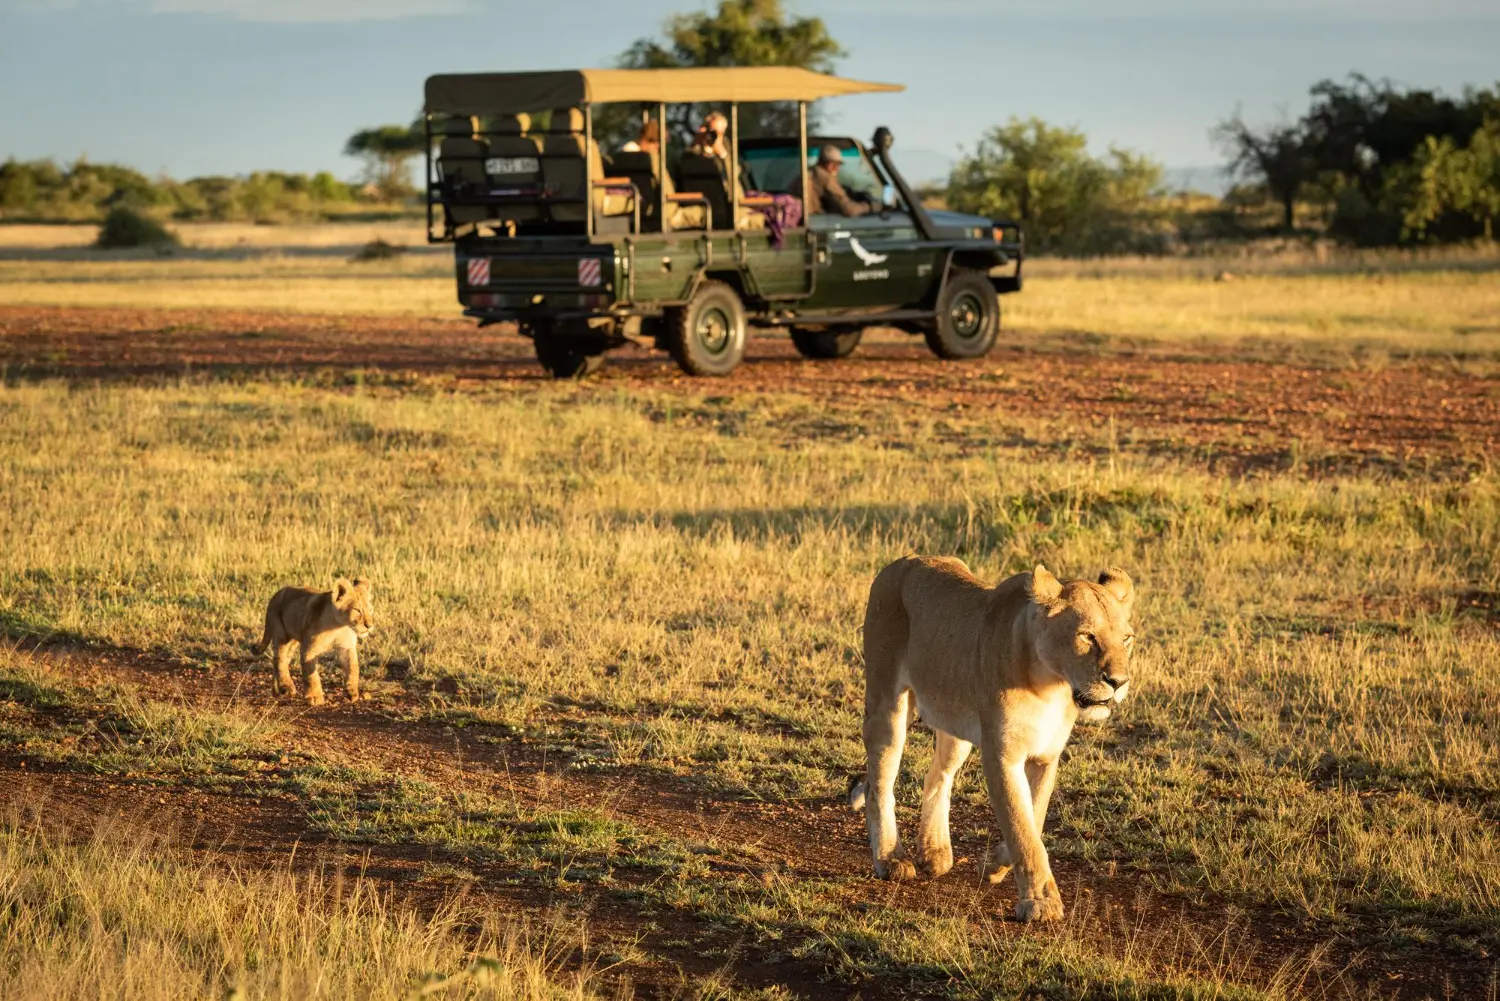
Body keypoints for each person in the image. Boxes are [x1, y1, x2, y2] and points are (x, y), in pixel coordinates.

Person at [792, 145, 872, 218]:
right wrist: (869, 207)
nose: (836, 168)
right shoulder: (824, 177)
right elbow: (848, 209)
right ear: (829, 164)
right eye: (836, 164)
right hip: (815, 222)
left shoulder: (809, 173)